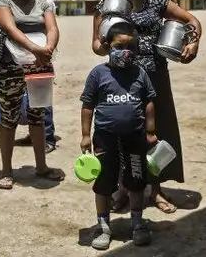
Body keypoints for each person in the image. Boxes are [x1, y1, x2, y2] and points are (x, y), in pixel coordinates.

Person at [91, 0, 202, 214]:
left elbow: (192, 21)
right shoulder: (107, 5)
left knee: (156, 132)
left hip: (154, 78)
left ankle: (157, 189)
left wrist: (193, 42)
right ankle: (123, 189)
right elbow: (96, 45)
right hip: (119, 80)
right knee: (122, 132)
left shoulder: (157, 2)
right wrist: (105, 44)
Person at [80, 22, 156, 250]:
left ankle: (137, 222)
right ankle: (103, 225)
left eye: (131, 46)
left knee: (136, 180)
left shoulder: (139, 73)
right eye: (119, 46)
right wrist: (85, 135)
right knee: (104, 181)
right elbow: (87, 105)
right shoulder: (98, 74)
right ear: (106, 46)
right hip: (105, 137)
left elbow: (149, 101)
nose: (126, 51)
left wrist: (151, 131)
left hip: (134, 137)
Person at [0, 0, 62, 189]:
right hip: (10, 67)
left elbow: (52, 28)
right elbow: (10, 29)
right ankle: (7, 171)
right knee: (9, 117)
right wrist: (35, 49)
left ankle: (41, 166)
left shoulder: (43, 2)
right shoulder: (2, 2)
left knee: (37, 116)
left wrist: (48, 49)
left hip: (39, 64)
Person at [15, 0, 58, 153]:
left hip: (40, 54)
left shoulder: (43, 1)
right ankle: (35, 134)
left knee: (42, 97)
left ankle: (47, 138)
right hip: (25, 54)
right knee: (30, 97)